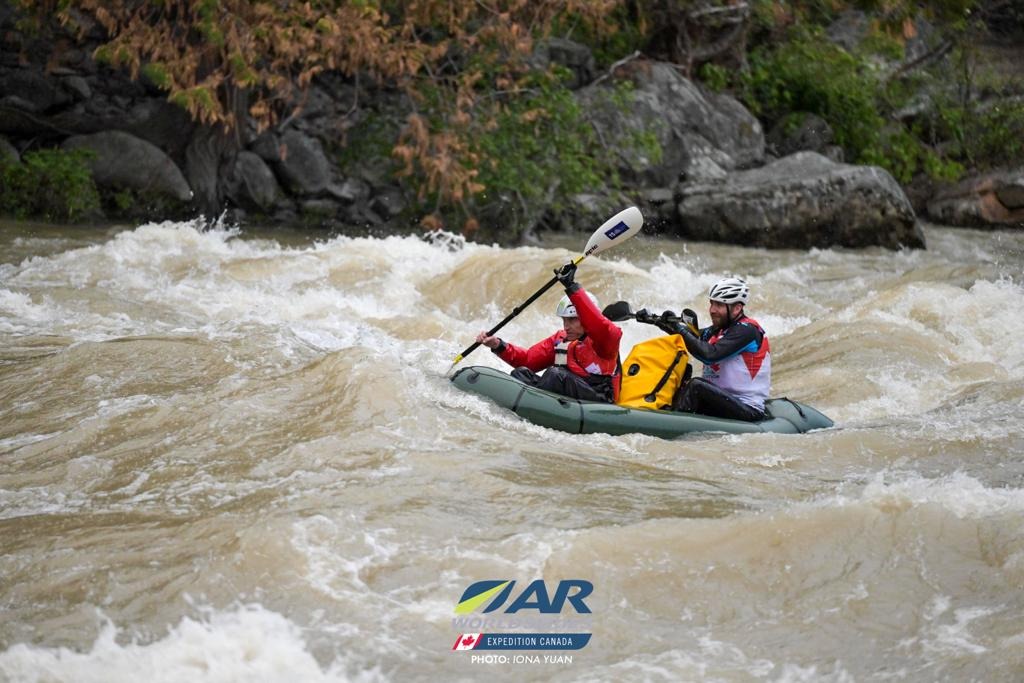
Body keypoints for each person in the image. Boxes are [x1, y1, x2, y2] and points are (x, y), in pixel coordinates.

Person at [475, 263, 622, 402]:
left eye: (572, 320)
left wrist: (571, 286)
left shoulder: (606, 341)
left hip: (598, 398)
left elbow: (598, 323)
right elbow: (528, 360)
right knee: (521, 373)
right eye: (564, 320)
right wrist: (497, 345)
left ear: (585, 318)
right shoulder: (562, 339)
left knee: (555, 374)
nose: (566, 326)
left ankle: (533, 406)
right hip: (569, 393)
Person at [636, 277, 771, 421]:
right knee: (682, 373)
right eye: (711, 303)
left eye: (719, 305)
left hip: (747, 408)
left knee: (696, 386)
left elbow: (709, 355)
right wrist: (657, 322)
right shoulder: (717, 330)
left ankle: (668, 424)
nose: (712, 310)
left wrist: (679, 329)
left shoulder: (747, 331)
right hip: (720, 402)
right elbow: (692, 338)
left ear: (737, 308)